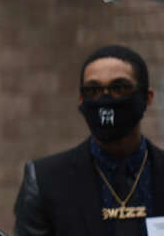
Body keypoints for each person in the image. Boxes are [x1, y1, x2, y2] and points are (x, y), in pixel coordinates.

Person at [14, 45, 163, 236]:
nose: (106, 98)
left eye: (119, 88)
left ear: (147, 97)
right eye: (93, 90)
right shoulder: (45, 181)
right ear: (81, 100)